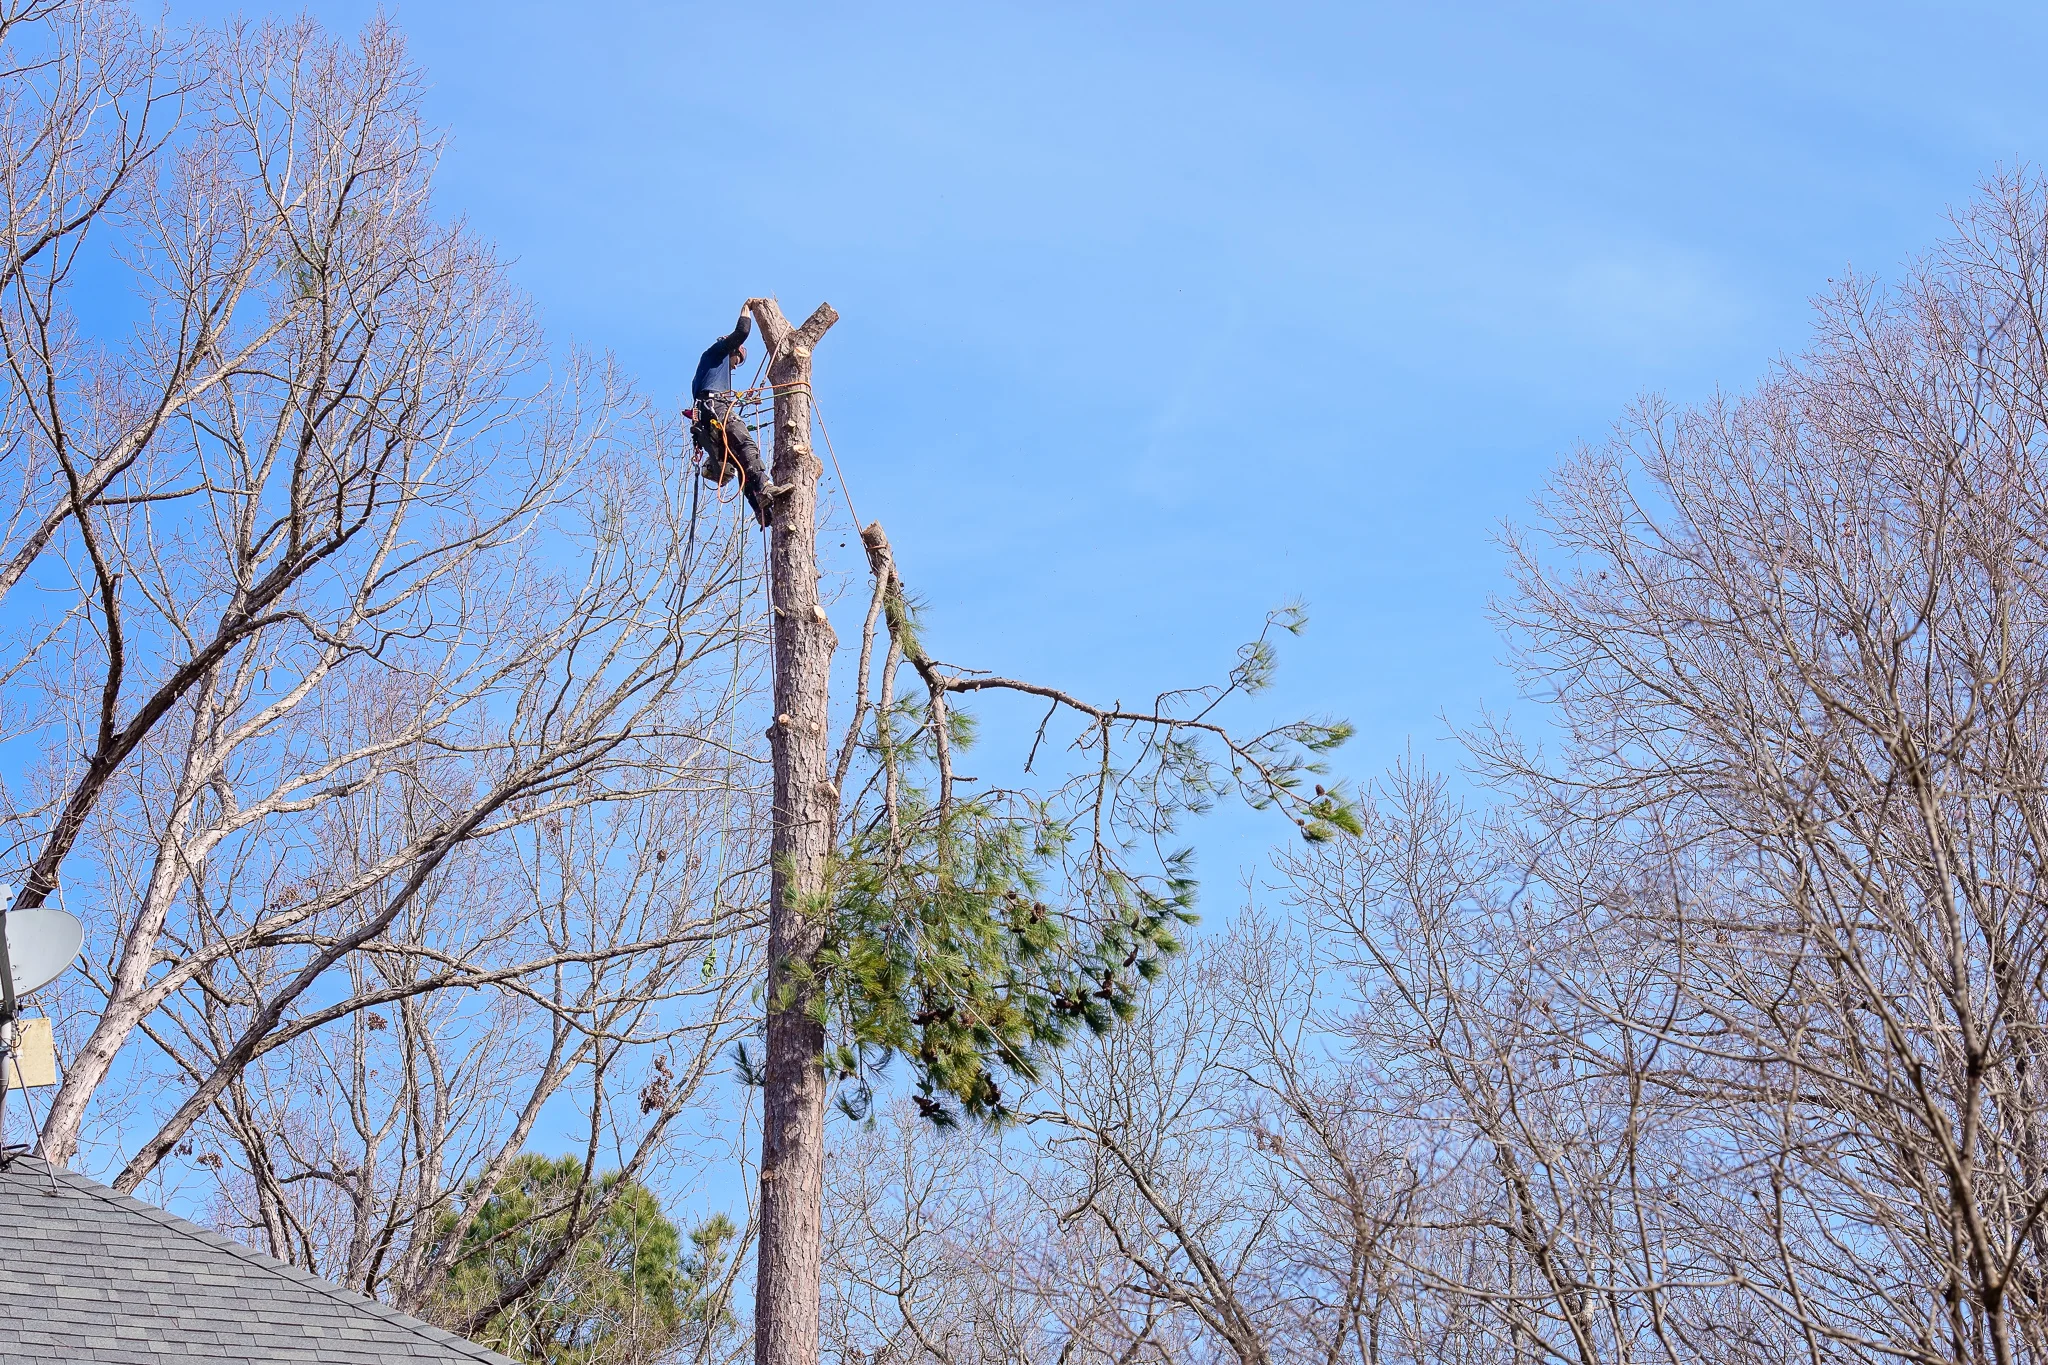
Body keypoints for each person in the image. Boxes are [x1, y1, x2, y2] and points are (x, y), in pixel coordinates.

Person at [690, 310, 784, 527]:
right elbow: (741, 332)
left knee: (741, 463)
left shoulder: (710, 375)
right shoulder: (715, 353)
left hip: (709, 419)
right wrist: (747, 309)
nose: (734, 365)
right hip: (716, 410)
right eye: (737, 360)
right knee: (746, 444)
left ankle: (760, 508)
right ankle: (765, 487)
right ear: (731, 350)